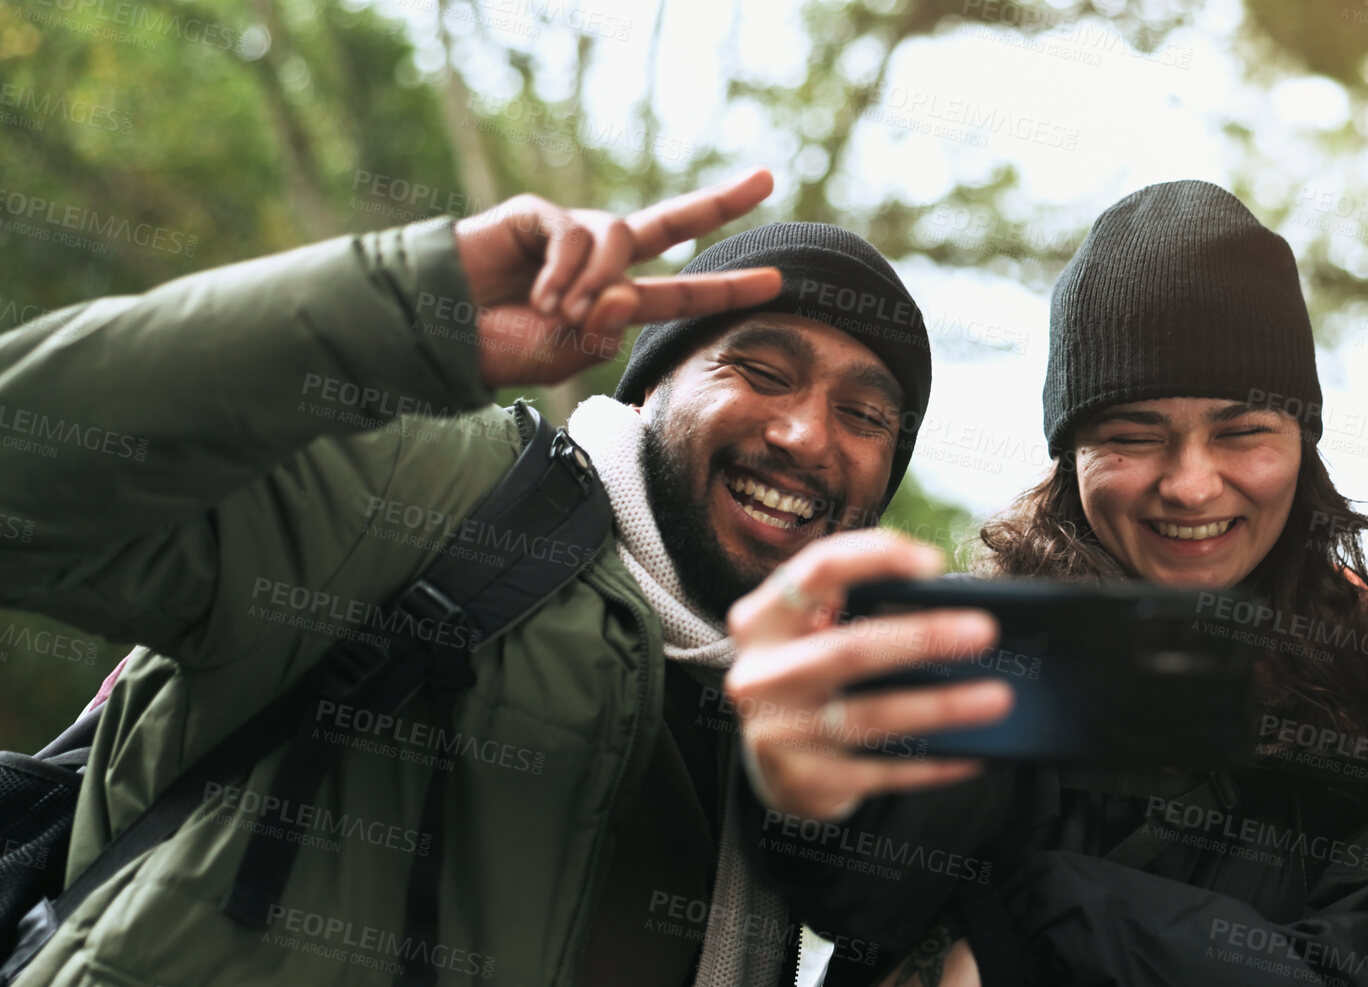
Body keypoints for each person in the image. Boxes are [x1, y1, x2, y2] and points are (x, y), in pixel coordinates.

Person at [0, 170, 935, 986]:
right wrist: (398, 309)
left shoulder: (817, 727)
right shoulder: (423, 496)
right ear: (647, 389)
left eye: (863, 415)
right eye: (762, 369)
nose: (807, 435)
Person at [724, 181, 1368, 987]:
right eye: (1132, 434)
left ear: (1302, 447)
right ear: (1070, 460)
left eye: (1241, 433)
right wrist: (805, 796)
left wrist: (1031, 919)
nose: (1191, 486)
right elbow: (866, 889)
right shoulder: (978, 670)